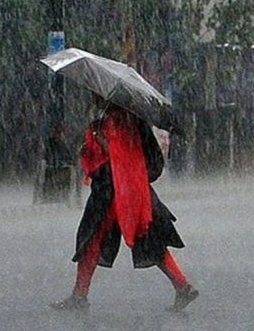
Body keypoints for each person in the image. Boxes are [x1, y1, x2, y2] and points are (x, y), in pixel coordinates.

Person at [50, 93, 199, 312]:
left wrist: (98, 139)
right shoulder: (133, 119)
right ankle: (182, 285)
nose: (92, 98)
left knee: (91, 239)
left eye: (95, 95)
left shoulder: (115, 121)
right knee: (150, 239)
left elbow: (114, 155)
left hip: (112, 191)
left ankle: (79, 296)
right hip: (135, 189)